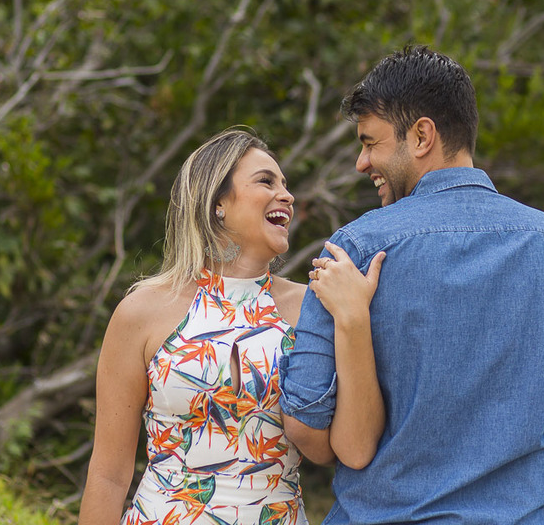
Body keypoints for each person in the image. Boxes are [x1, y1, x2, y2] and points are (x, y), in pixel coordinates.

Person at [280, 47, 544, 525]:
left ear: (422, 135)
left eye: (370, 142)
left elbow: (308, 426)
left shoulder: (354, 250)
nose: (361, 162)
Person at [79, 128, 387, 525]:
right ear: (218, 203)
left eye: (286, 184)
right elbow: (108, 475)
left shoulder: (311, 308)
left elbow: (348, 449)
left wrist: (355, 318)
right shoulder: (142, 311)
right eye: (266, 181)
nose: (287, 195)